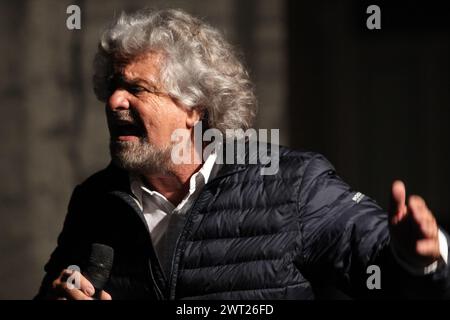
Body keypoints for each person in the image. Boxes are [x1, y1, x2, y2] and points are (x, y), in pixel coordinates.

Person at [36, 8, 449, 300]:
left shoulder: (292, 184)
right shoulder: (94, 202)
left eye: (137, 89)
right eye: (111, 87)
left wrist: (418, 259)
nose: (114, 102)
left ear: (195, 107)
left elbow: (381, 264)